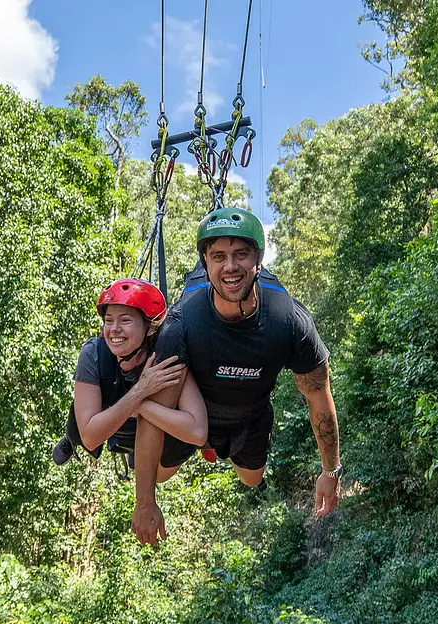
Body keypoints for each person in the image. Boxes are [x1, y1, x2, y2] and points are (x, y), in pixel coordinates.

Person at [131, 208, 343, 545]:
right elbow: (154, 422)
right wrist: (145, 503)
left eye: (240, 254)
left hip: (250, 416)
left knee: (251, 479)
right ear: (205, 263)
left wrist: (331, 471)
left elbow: (318, 394)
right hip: (191, 417)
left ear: (258, 260)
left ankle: (219, 446)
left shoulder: (288, 321)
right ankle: (203, 441)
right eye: (218, 256)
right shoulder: (182, 324)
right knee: (157, 475)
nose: (230, 266)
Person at [52, 278, 208, 475]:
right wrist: (140, 391)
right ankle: (70, 438)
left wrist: (140, 405)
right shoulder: (93, 354)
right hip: (106, 416)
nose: (114, 329)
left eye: (125, 320)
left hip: (151, 426)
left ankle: (138, 447)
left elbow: (197, 432)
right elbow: (91, 437)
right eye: (109, 320)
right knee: (79, 417)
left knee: (160, 466)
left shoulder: (165, 353)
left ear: (150, 327)